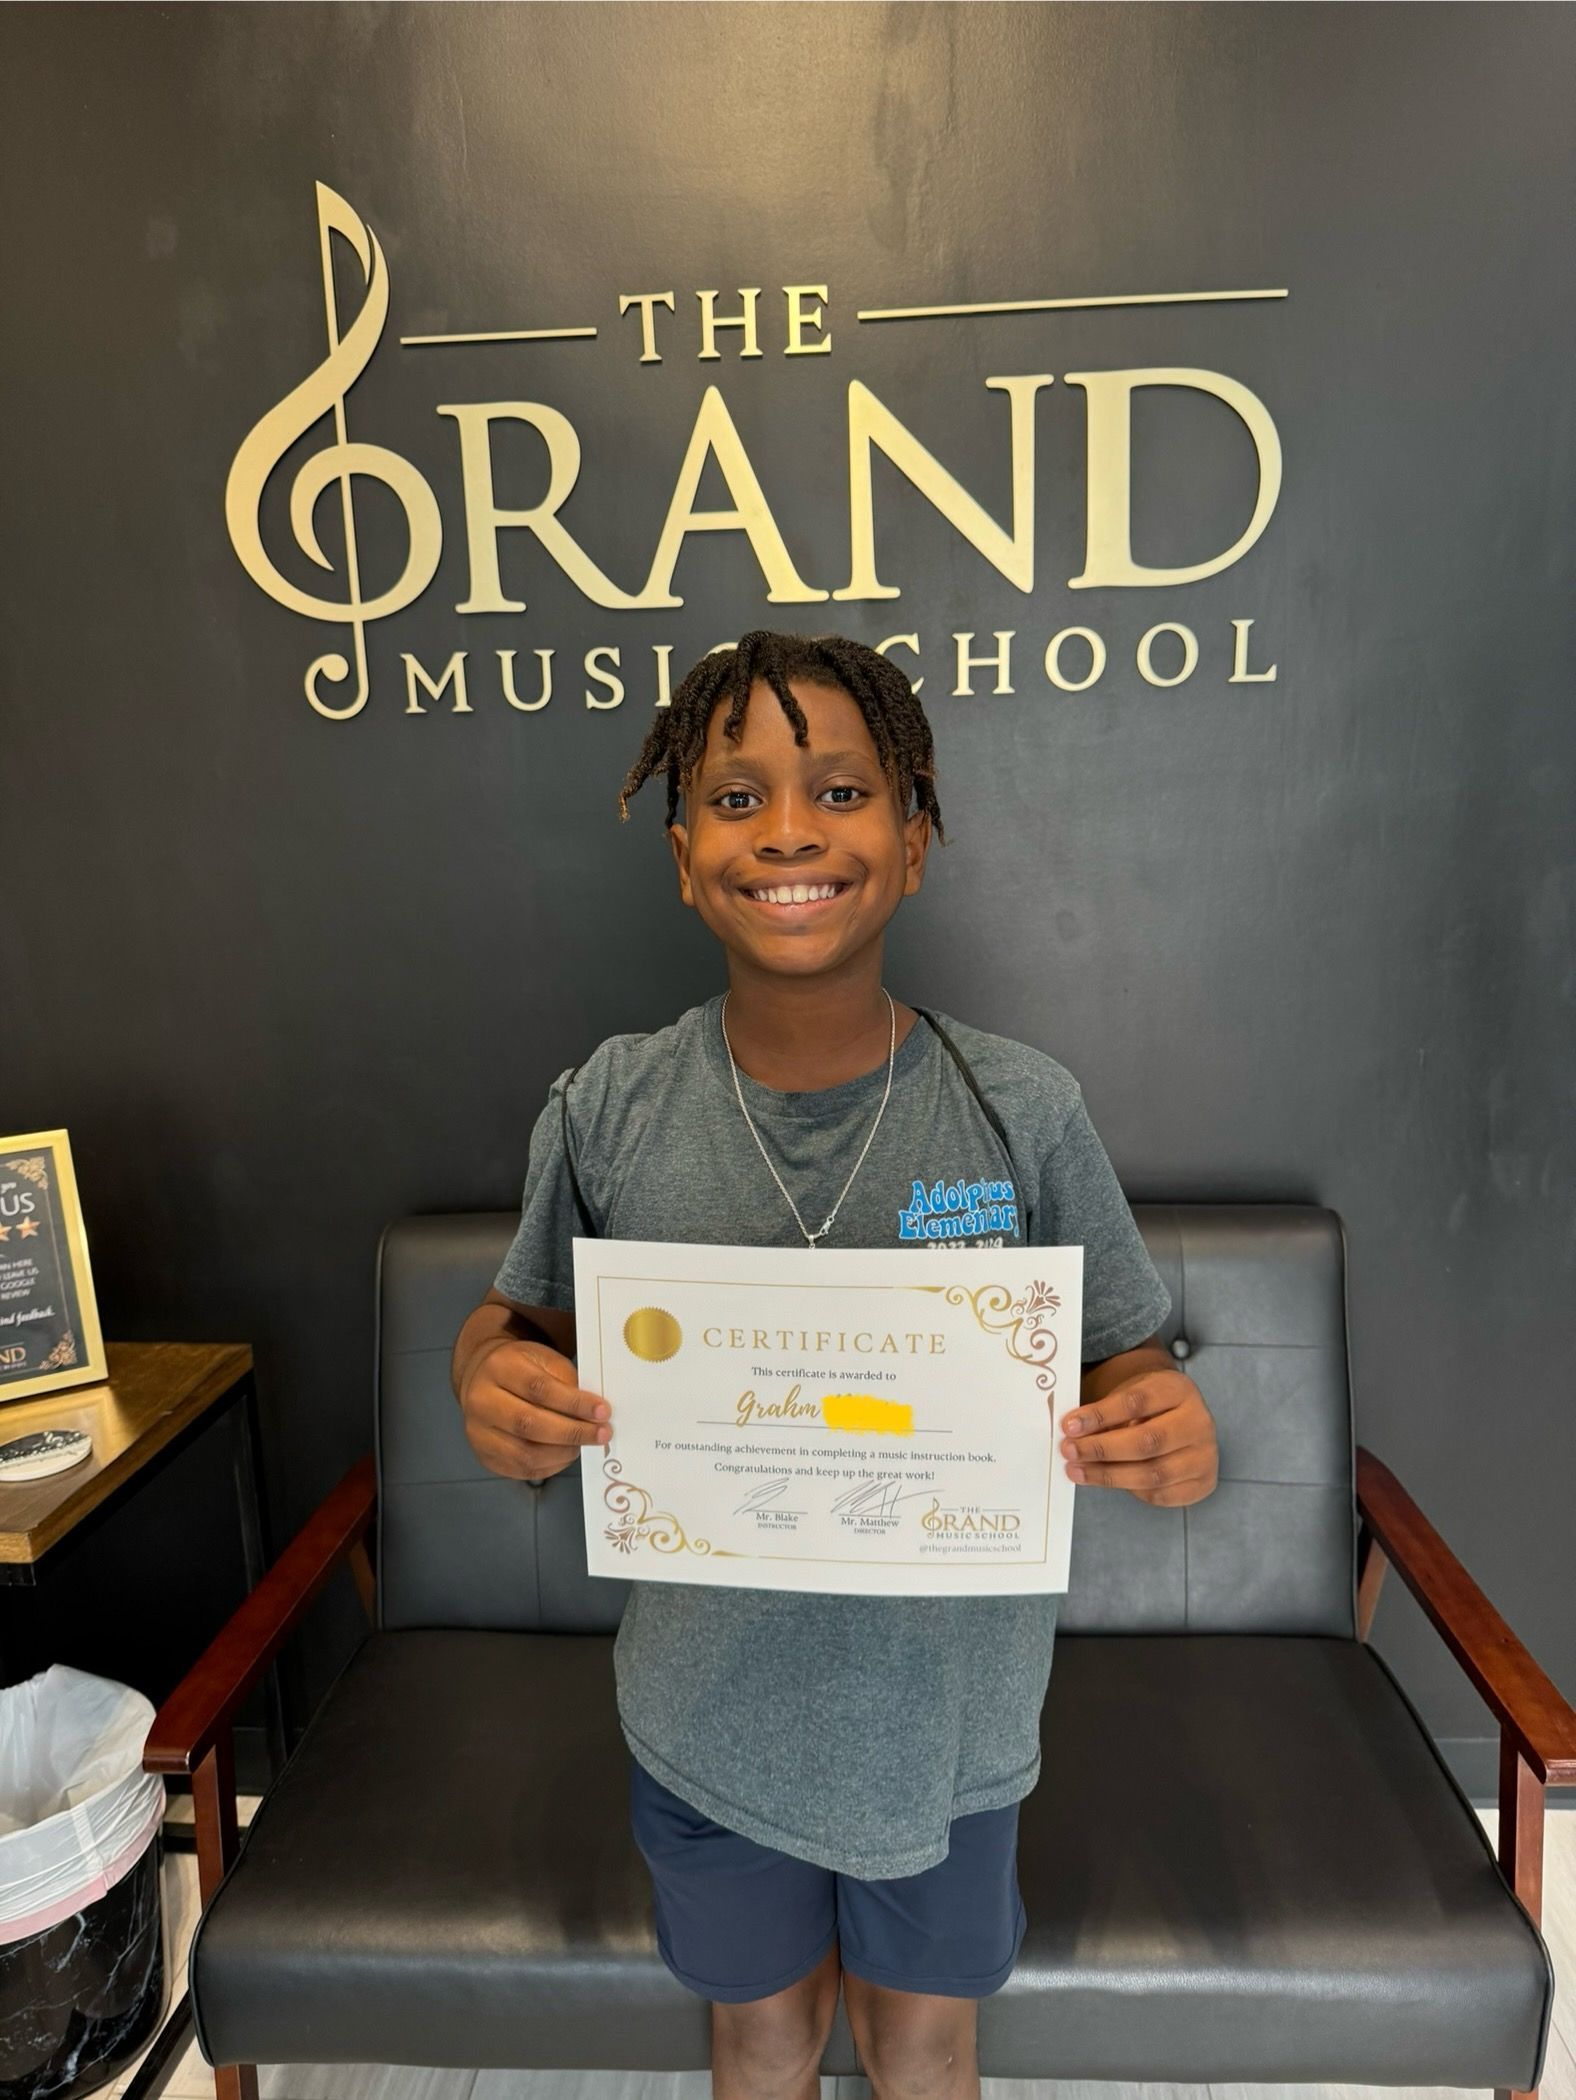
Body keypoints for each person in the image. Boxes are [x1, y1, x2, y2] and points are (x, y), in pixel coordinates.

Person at [450, 630, 1219, 2100]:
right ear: (683, 860)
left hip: (950, 1726)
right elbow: (516, 1328)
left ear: (914, 843)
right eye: (737, 801)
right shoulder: (611, 1105)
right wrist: (486, 1378)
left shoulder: (1022, 1108)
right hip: (705, 1710)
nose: (790, 831)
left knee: (924, 2039)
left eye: (842, 791)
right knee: (759, 2031)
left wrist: (1163, 1423)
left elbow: (1125, 1361)